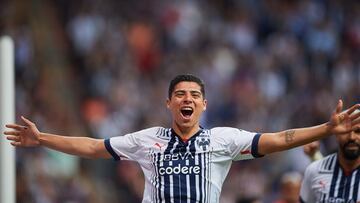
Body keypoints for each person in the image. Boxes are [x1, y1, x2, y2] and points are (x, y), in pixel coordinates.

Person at [3, 74, 360, 203]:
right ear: (169, 102)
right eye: (180, 94)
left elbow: (280, 138)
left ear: (204, 104)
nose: (187, 99)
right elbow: (95, 147)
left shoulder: (223, 140)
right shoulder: (148, 139)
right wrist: (43, 139)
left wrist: (327, 129)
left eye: (194, 94)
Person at [300, 109, 360, 203]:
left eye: (358, 131)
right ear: (336, 134)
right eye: (345, 131)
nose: (352, 137)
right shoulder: (314, 170)